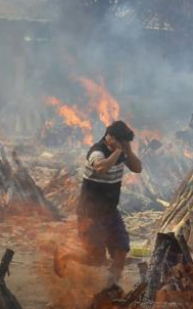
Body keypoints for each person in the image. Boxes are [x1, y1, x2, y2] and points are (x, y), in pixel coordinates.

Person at [54, 121, 143, 285]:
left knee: (121, 250)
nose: (124, 145)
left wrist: (127, 150)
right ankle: (64, 253)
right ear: (110, 137)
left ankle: (112, 286)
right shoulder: (97, 151)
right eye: (123, 142)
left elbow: (137, 168)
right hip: (90, 214)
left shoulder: (122, 151)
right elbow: (101, 168)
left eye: (126, 142)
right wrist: (117, 151)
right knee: (96, 259)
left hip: (110, 211)